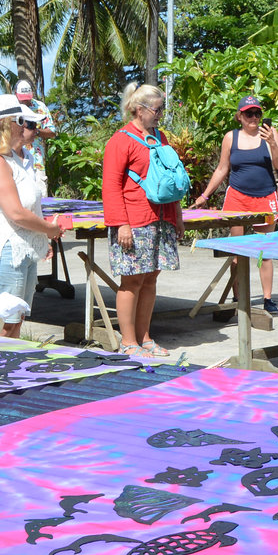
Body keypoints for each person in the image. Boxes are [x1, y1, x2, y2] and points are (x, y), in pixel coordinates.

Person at [0, 93, 73, 337]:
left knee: (16, 319)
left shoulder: (16, 159)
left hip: (20, 247)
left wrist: (41, 237)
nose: (26, 127)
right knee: (5, 323)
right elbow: (15, 213)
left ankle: (7, 370)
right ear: (4, 125)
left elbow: (26, 207)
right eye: (20, 121)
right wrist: (48, 230)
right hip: (6, 249)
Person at [101, 83, 185, 358]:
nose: (160, 114)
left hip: (161, 218)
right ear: (139, 109)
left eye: (162, 109)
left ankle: (145, 337)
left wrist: (178, 217)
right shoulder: (121, 140)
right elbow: (111, 185)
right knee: (132, 280)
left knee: (150, 278)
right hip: (134, 220)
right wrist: (121, 223)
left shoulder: (160, 138)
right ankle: (128, 342)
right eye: (157, 109)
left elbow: (171, 179)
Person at [192, 94, 278, 313]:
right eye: (248, 113)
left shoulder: (271, 135)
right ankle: (238, 297)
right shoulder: (230, 138)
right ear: (240, 116)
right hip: (237, 197)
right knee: (238, 250)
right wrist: (205, 195)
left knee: (265, 250)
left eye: (257, 113)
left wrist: (272, 143)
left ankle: (267, 298)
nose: (253, 117)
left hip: (265, 197)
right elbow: (222, 168)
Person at [13, 78, 57, 179]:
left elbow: (52, 132)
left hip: (37, 162)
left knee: (40, 193)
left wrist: (35, 131)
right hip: (14, 161)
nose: (25, 101)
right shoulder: (11, 108)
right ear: (16, 94)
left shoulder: (40, 107)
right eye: (22, 98)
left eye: (27, 98)